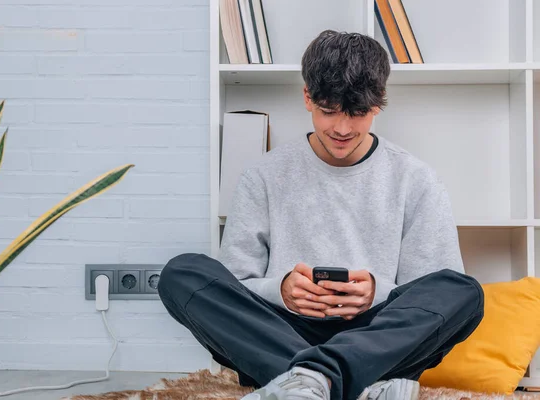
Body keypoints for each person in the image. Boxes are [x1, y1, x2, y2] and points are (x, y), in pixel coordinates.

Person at [157, 30, 484, 400]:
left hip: (377, 337)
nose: (342, 129)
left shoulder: (416, 179)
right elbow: (234, 284)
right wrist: (280, 290)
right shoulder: (263, 175)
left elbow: (429, 292)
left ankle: (308, 380)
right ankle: (353, 386)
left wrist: (375, 292)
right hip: (281, 331)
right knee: (181, 272)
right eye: (329, 112)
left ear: (378, 105)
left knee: (464, 290)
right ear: (307, 98)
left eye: (357, 113)